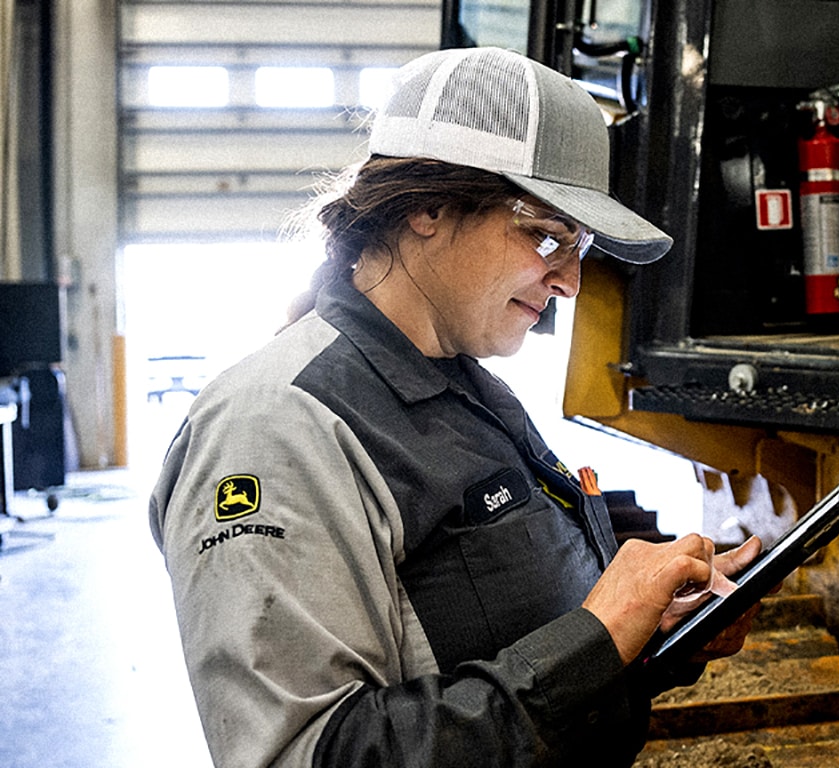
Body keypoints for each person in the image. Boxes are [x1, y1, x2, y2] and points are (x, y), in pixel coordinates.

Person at [149, 47, 762, 767]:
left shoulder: (466, 388)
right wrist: (598, 634)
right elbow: (310, 754)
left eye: (581, 246)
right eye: (546, 235)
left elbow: (517, 636)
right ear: (427, 207)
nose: (568, 282)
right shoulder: (273, 429)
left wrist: (653, 630)